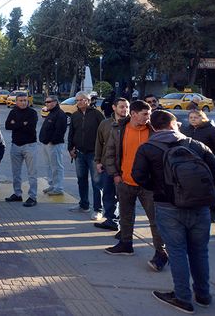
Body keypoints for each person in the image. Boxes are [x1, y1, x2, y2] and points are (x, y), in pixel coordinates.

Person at [132, 110, 215, 313]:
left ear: (154, 127)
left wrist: (159, 188)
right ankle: (203, 295)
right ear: (175, 124)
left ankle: (182, 298)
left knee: (177, 252)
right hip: (200, 208)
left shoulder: (147, 148)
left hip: (167, 207)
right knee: (200, 252)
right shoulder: (196, 145)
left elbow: (137, 176)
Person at [103, 100, 167, 271]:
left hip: (148, 185)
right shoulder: (119, 130)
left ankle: (161, 253)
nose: (149, 117)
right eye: (145, 114)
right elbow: (109, 153)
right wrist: (115, 174)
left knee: (155, 220)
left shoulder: (154, 131)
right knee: (125, 215)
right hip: (125, 181)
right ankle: (126, 244)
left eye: (150, 113)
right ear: (134, 114)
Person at [181, 109, 215, 223]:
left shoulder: (212, 130)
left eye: (196, 117)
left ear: (203, 117)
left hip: (209, 165)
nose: (193, 119)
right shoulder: (185, 130)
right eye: (191, 117)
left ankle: (214, 212)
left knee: (211, 190)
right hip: (190, 166)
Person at [94, 97, 130, 231]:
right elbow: (99, 143)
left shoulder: (131, 124)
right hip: (107, 165)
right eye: (122, 106)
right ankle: (111, 220)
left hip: (125, 167)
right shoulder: (105, 124)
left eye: (127, 107)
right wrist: (98, 161)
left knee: (123, 197)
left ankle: (124, 225)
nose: (125, 109)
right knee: (108, 194)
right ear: (114, 108)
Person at [68, 92, 106, 219]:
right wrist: (70, 149)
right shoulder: (74, 116)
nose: (78, 102)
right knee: (81, 180)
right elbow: (71, 134)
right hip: (79, 153)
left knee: (97, 182)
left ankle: (98, 209)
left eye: (81, 100)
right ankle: (84, 205)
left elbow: (104, 134)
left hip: (94, 154)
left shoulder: (97, 115)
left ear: (88, 101)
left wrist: (102, 153)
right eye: (77, 100)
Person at [5, 92, 39, 207]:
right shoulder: (12, 112)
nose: (23, 102)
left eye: (25, 100)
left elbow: (30, 127)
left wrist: (16, 124)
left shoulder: (32, 113)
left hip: (30, 145)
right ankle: (17, 194)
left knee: (32, 173)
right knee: (16, 173)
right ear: (16, 101)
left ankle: (32, 197)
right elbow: (7, 126)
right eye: (21, 100)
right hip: (15, 146)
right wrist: (22, 124)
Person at [40, 95, 68, 196]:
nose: (46, 104)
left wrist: (53, 141)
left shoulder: (60, 114)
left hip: (54, 145)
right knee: (49, 166)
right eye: (46, 102)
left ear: (55, 102)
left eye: (48, 102)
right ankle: (52, 185)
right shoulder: (51, 113)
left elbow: (60, 130)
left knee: (56, 166)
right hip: (47, 144)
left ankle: (58, 188)